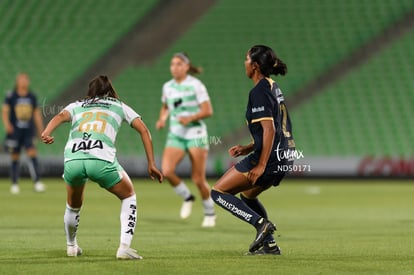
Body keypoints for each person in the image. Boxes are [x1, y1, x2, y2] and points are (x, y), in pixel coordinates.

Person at [41, 75, 163, 260]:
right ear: (110, 90)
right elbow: (144, 130)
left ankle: (71, 247)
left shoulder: (77, 105)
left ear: (90, 91)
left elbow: (59, 116)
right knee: (129, 195)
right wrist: (151, 163)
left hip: (73, 159)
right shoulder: (119, 106)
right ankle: (124, 247)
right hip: (100, 159)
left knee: (73, 205)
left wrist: (46, 132)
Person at [211, 45, 295, 255]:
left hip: (270, 159)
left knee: (218, 192)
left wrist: (261, 164)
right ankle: (269, 245)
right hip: (285, 155)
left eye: (246, 59)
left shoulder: (259, 91)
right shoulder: (273, 86)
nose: (244, 63)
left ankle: (260, 224)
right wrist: (248, 147)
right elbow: (274, 127)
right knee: (247, 196)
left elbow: (269, 128)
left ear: (255, 66)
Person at [155, 53, 216, 227]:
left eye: (179, 64)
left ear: (187, 67)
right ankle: (187, 197)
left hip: (195, 134)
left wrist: (189, 118)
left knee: (198, 178)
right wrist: (162, 119)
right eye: (172, 64)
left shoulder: (196, 85)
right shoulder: (167, 86)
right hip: (176, 134)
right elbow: (166, 106)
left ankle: (209, 213)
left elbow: (208, 110)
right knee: (167, 171)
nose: (175, 67)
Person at [2, 73, 46, 194]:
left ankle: (37, 182)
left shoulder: (32, 97)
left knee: (32, 153)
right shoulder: (11, 96)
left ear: (28, 82)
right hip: (15, 131)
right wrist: (7, 125)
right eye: (21, 80)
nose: (23, 82)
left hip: (28, 131)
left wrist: (41, 129)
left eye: (25, 80)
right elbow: (5, 111)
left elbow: (36, 114)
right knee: (15, 155)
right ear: (17, 82)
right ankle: (15, 183)